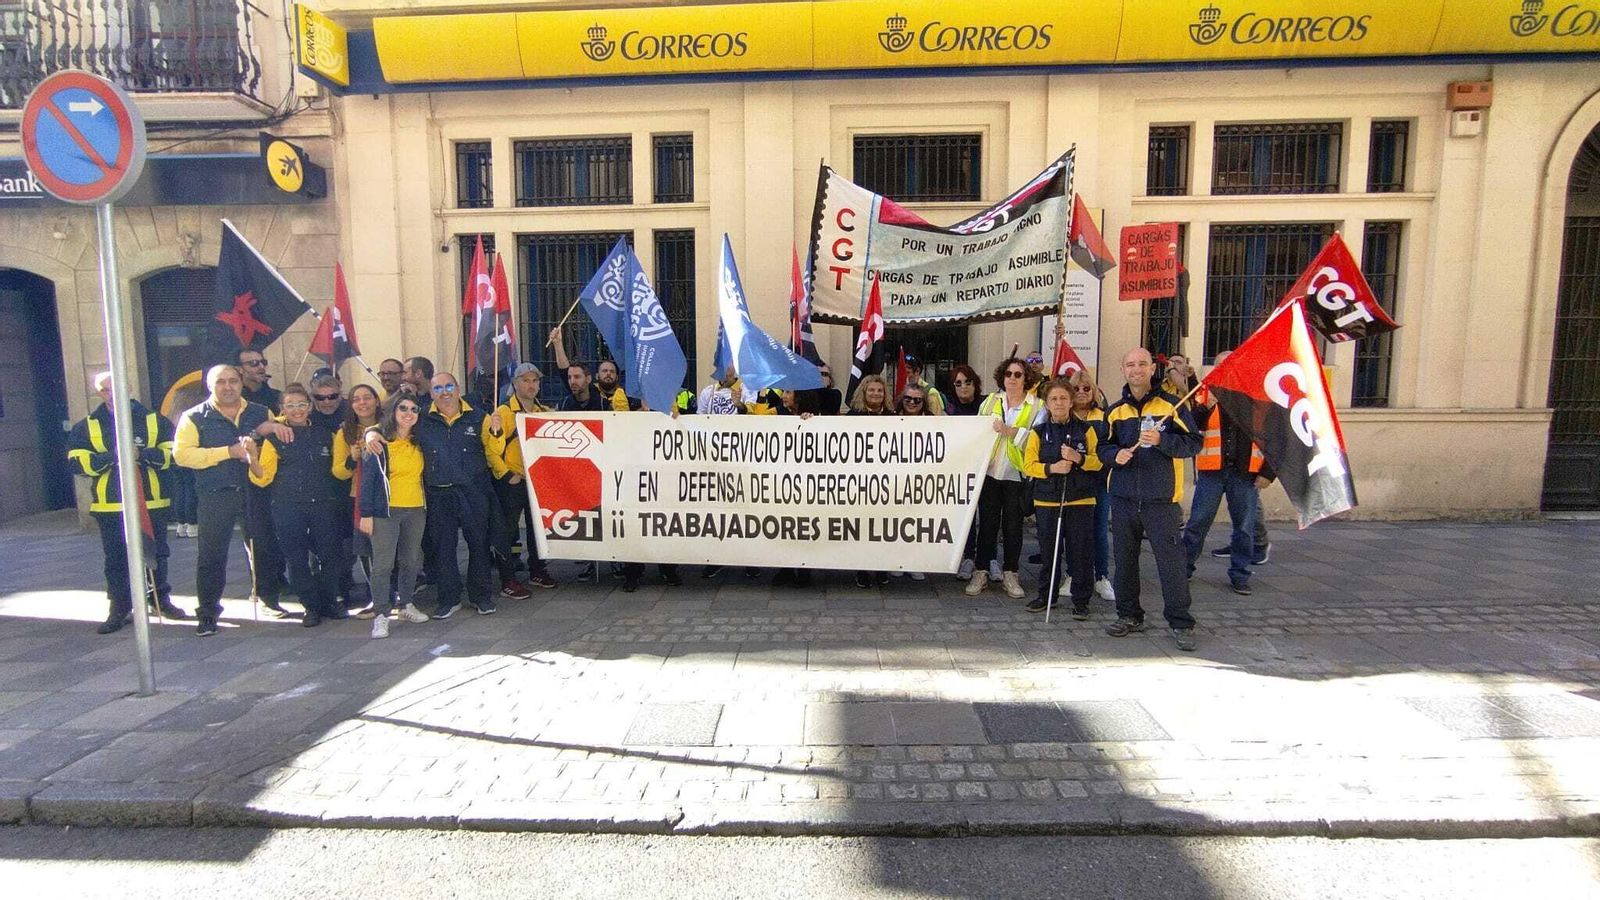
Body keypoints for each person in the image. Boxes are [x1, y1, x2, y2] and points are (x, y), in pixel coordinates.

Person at [1098, 348, 1203, 652]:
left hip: (1161, 500)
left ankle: (1180, 622)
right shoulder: (1115, 411)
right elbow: (1103, 449)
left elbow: (1193, 443)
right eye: (1130, 364)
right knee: (1125, 562)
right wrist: (1114, 455)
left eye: (1142, 364)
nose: (1136, 370)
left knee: (1171, 563)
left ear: (1151, 369)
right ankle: (1129, 615)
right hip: (1124, 498)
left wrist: (1163, 441)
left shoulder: (1172, 406)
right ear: (1123, 370)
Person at [68, 371, 186, 633]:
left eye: (117, 387)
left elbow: (174, 454)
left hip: (152, 502)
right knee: (116, 559)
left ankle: (159, 600)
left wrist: (141, 454)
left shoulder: (154, 420)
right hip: (111, 505)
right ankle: (119, 607)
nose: (112, 393)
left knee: (156, 554)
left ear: (129, 387)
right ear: (99, 393)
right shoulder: (87, 425)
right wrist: (114, 456)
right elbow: (77, 462)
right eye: (106, 389)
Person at [173, 365, 275, 636]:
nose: (227, 387)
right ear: (210, 386)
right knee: (211, 556)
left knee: (263, 547)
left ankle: (268, 598)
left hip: (255, 491)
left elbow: (275, 448)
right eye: (221, 382)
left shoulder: (260, 412)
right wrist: (227, 452)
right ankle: (207, 612)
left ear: (241, 384)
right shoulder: (194, 416)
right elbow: (182, 455)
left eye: (233, 381)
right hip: (216, 493)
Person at [248, 385, 350, 628]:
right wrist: (252, 457)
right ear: (282, 409)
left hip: (323, 505)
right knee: (297, 559)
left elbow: (339, 471)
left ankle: (329, 601)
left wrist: (354, 458)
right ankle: (310, 606)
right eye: (291, 405)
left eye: (301, 405)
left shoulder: (327, 434)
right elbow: (263, 478)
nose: (297, 410)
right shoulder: (274, 438)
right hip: (288, 507)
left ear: (310, 407)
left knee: (330, 555)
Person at [413, 373, 509, 618]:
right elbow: (392, 429)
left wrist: (497, 432)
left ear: (457, 389)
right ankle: (449, 599)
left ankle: (481, 597)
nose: (444, 393)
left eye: (448, 386)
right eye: (438, 388)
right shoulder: (421, 418)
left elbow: (494, 450)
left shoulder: (479, 417)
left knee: (479, 545)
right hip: (438, 493)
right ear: (431, 393)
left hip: (473, 491)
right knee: (443, 548)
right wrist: (373, 434)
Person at [1182, 352, 1275, 596]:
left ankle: (1240, 574)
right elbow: (1192, 427)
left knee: (1244, 527)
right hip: (1212, 472)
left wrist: (1268, 472)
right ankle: (1183, 569)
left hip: (1245, 474)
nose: (1227, 369)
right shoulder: (1205, 392)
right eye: (1221, 365)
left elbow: (1275, 438)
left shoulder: (1259, 397)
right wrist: (1206, 406)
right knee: (1197, 522)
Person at [1021, 378, 1105, 618]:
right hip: (1047, 500)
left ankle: (1081, 600)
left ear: (1070, 402)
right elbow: (1029, 466)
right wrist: (1052, 468)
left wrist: (1079, 459)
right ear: (1047, 404)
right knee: (1050, 552)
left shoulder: (1086, 430)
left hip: (1080, 500)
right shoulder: (1038, 433)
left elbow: (1099, 461)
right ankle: (1047, 595)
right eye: (1054, 399)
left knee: (1081, 553)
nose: (1059, 403)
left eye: (1063, 398)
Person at [966, 358, 1043, 600]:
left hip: (1017, 474)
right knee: (986, 525)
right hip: (990, 473)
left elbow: (1038, 440)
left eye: (1018, 374)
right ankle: (981, 571)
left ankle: (1011, 573)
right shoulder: (990, 401)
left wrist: (1011, 432)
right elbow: (976, 434)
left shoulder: (1037, 406)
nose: (1012, 378)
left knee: (1013, 527)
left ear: (1026, 378)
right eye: (1008, 373)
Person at [358, 394, 434, 638]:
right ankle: (381, 614)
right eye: (402, 408)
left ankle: (406, 604)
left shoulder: (420, 441)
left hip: (415, 509)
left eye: (414, 409)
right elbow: (367, 481)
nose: (408, 413)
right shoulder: (379, 441)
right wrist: (366, 513)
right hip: (385, 511)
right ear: (393, 411)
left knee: (411, 561)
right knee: (382, 564)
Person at [491, 363, 559, 590]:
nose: (531, 385)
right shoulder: (503, 412)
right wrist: (507, 474)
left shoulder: (544, 412)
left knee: (537, 528)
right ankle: (508, 577)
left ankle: (537, 570)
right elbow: (491, 449)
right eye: (525, 380)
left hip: (537, 481)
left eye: (535, 381)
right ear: (515, 383)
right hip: (514, 480)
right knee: (508, 531)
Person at [1066, 369, 1117, 604]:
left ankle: (1101, 576)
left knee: (1098, 530)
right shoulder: (1064, 417)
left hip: (1098, 482)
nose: (1081, 392)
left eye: (1086, 388)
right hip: (1070, 483)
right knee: (1072, 532)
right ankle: (1071, 575)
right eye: (1076, 388)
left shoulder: (1104, 417)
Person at [337, 385, 383, 614]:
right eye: (356, 399)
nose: (362, 403)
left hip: (389, 496)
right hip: (360, 498)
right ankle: (377, 597)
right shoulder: (345, 432)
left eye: (367, 397)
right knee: (367, 550)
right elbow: (338, 472)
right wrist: (351, 459)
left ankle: (395, 593)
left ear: (377, 400)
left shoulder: (390, 426)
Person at [847, 374, 893, 587]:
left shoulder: (895, 418)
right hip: (858, 483)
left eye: (880, 390)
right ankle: (862, 569)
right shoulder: (851, 417)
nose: (876, 393)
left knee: (884, 527)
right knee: (861, 527)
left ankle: (882, 566)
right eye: (871, 390)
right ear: (863, 392)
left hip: (887, 484)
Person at [944, 364, 985, 579]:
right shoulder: (950, 409)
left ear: (975, 383)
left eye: (967, 382)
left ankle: (988, 559)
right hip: (962, 471)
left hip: (987, 469)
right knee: (966, 516)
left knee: (988, 516)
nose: (963, 387)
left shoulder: (987, 405)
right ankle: (968, 557)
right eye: (958, 383)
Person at [550, 325, 631, 410]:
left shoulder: (627, 395)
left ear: (617, 377)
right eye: (604, 371)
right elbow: (564, 370)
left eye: (612, 371)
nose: (608, 373)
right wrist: (557, 344)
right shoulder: (589, 391)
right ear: (596, 376)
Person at [236, 348, 281, 413]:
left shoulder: (277, 397)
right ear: (240, 369)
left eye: (263, 362)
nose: (261, 366)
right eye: (253, 363)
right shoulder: (235, 399)